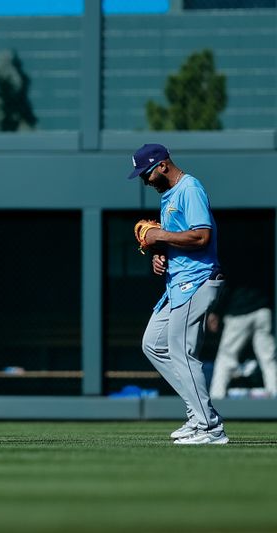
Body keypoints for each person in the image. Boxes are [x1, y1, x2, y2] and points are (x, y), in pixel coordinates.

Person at [128, 143, 228, 445]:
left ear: (162, 165)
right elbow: (178, 240)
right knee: (153, 344)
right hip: (177, 282)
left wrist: (160, 236)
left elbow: (201, 235)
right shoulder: (169, 196)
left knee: (183, 351)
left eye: (146, 174)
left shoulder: (189, 188)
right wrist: (161, 253)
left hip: (197, 281)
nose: (144, 181)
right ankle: (197, 415)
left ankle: (209, 428)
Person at [208, 284, 277, 399]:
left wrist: (216, 310)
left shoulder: (235, 266)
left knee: (226, 359)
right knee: (268, 359)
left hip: (239, 310)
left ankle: (216, 398)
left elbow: (226, 285)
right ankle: (275, 395)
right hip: (263, 309)